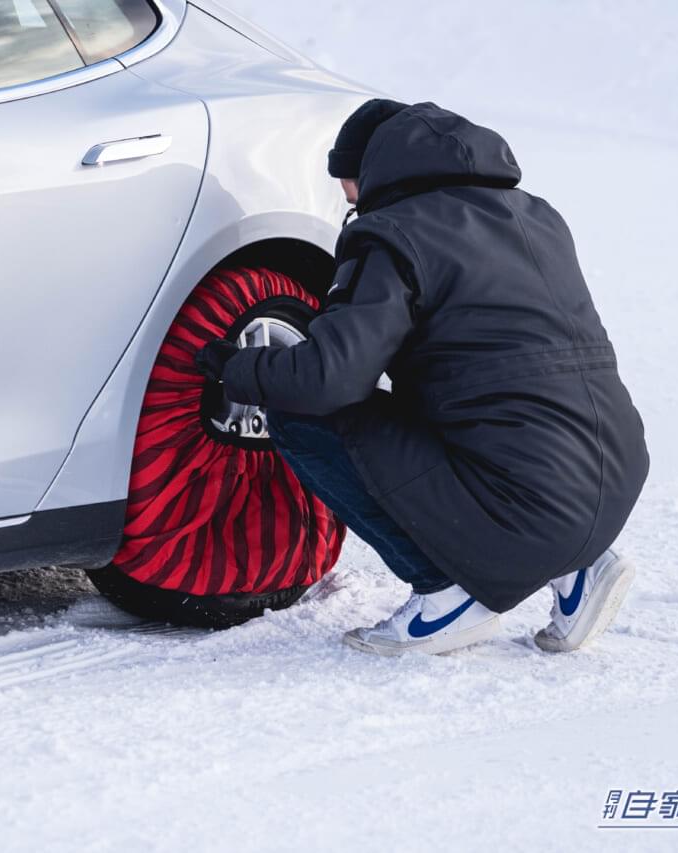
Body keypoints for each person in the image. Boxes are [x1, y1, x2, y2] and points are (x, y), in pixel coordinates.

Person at [195, 100, 649, 656]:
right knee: (483, 400)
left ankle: (447, 594)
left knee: (303, 414)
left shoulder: (394, 234)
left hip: (523, 501)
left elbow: (326, 381)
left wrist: (239, 369)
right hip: (613, 477)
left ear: (375, 173)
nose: (351, 207)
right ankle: (579, 567)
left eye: (349, 192)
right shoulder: (535, 214)